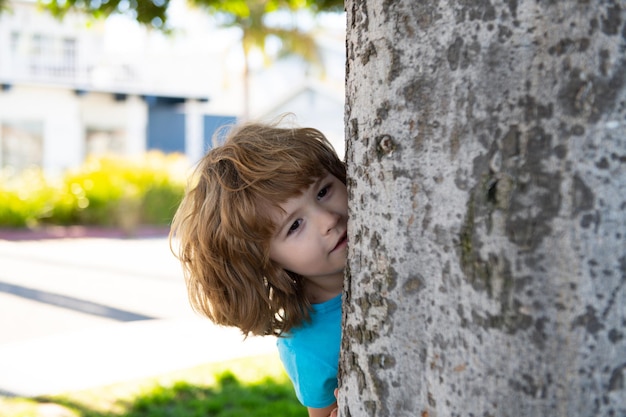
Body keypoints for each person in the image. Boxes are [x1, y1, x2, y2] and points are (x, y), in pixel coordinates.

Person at [169, 117, 346, 417]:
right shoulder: (307, 348)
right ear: (268, 263)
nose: (328, 220)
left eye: (323, 191)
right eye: (295, 226)